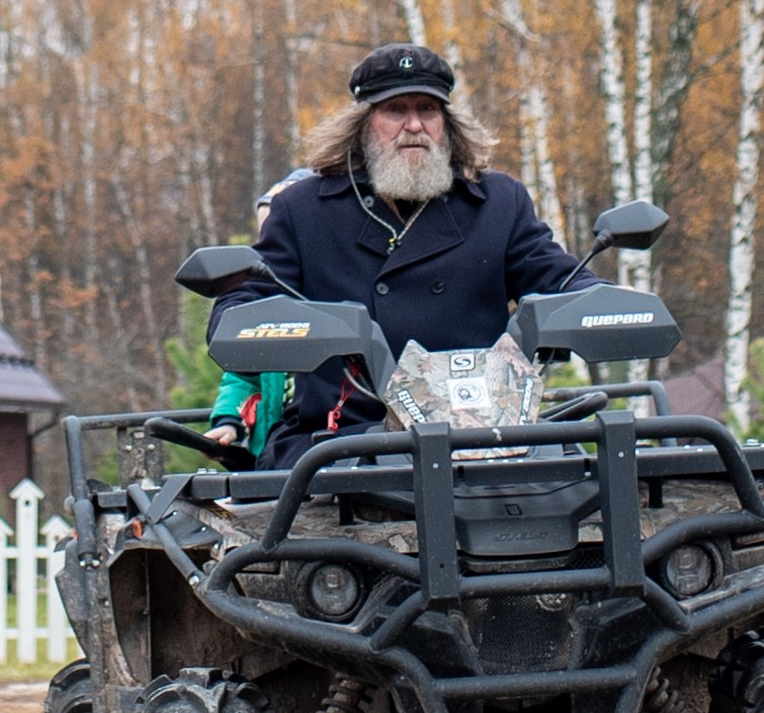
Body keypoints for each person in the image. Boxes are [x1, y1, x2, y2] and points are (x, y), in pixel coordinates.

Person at [209, 42, 597, 465]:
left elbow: (557, 276)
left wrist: (599, 299)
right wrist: (252, 319)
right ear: (363, 123)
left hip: (482, 437)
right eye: (395, 110)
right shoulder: (302, 210)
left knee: (583, 473)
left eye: (428, 109)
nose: (414, 125)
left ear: (446, 122)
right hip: (347, 442)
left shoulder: (499, 202)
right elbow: (248, 299)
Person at [202, 169, 314, 457]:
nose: (271, 255)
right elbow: (242, 377)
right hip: (278, 444)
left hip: (323, 436)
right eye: (265, 241)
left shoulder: (327, 299)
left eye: (281, 240)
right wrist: (229, 421)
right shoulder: (265, 311)